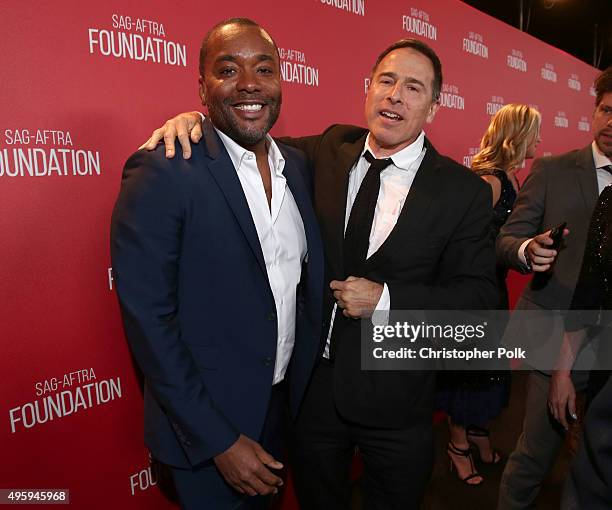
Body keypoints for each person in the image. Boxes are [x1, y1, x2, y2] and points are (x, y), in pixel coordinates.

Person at [142, 37, 498, 509]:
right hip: (313, 398)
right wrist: (194, 121)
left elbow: (477, 303)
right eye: (387, 81)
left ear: (433, 107)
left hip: (398, 401)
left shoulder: (463, 192)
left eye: (414, 88)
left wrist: (386, 300)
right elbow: (244, 139)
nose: (395, 95)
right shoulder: (329, 148)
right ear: (368, 89)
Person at [111, 18, 324, 510]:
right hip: (205, 435)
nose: (249, 84)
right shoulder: (164, 169)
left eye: (263, 69)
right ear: (202, 87)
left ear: (280, 80)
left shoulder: (302, 167)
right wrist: (219, 441)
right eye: (228, 69)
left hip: (279, 412)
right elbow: (150, 324)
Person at [496, 65, 612, 510]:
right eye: (605, 110)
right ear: (594, 112)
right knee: (535, 455)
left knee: (592, 462)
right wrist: (528, 249)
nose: (611, 122)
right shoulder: (553, 170)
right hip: (552, 339)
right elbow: (505, 239)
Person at [437, 104, 542, 485]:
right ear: (518, 136)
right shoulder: (490, 181)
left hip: (493, 288)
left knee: (487, 370)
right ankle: (457, 446)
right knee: (468, 369)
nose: (540, 142)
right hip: (474, 291)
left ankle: (477, 432)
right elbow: (460, 242)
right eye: (535, 133)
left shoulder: (513, 178)